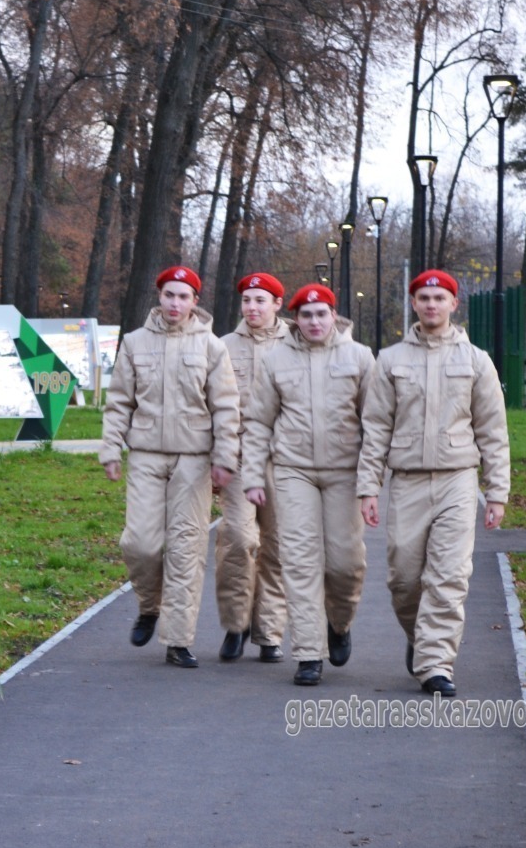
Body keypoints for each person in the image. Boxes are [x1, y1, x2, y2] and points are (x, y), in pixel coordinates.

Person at [357, 270, 510, 698]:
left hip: (458, 481)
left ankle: (435, 663)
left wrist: (496, 492)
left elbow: (494, 431)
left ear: (453, 304)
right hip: (405, 482)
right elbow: (375, 428)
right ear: (414, 304)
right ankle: (419, 637)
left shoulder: (475, 361)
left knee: (448, 576)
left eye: (439, 298)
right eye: (423, 298)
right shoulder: (390, 360)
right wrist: (368, 487)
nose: (430, 305)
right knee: (404, 579)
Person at [102, 265, 240, 668]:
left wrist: (224, 458)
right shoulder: (134, 343)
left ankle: (178, 640)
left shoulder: (212, 347)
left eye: (184, 296)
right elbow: (119, 402)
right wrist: (111, 448)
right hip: (146, 455)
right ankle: (150, 605)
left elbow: (226, 409)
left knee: (186, 549)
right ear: (158, 297)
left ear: (195, 301)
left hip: (193, 461)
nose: (175, 303)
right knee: (139, 543)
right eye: (169, 295)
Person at [241, 285, 375, 687]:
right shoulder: (276, 359)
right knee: (298, 560)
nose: (314, 322)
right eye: (306, 315)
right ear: (294, 319)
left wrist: (370, 480)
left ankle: (339, 622)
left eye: (321, 314)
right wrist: (252, 476)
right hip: (293, 470)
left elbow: (375, 423)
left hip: (344, 472)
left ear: (335, 316)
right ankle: (308, 653)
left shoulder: (359, 357)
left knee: (344, 564)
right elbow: (259, 421)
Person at [215, 272, 290, 664]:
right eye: (247, 300)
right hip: (240, 458)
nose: (252, 307)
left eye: (261, 300)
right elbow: (210, 406)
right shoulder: (223, 347)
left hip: (286, 461)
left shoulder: (297, 344)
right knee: (239, 541)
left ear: (278, 304)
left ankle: (269, 633)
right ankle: (235, 624)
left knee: (276, 549)